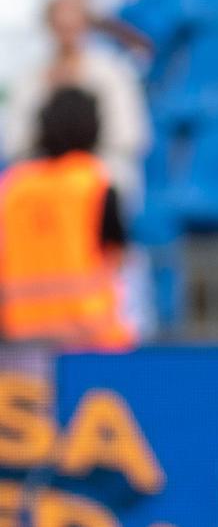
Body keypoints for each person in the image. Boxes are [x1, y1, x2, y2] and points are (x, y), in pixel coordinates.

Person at [0, 89, 132, 352]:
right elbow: (118, 258)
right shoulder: (96, 185)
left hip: (21, 342)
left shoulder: (14, 187)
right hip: (91, 341)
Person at [3, 0, 152, 206]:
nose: (67, 32)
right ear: (49, 25)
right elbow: (15, 143)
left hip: (97, 176)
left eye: (73, 24)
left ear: (85, 24)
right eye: (61, 25)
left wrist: (79, 171)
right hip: (43, 179)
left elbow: (129, 137)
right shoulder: (30, 79)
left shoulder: (112, 72)